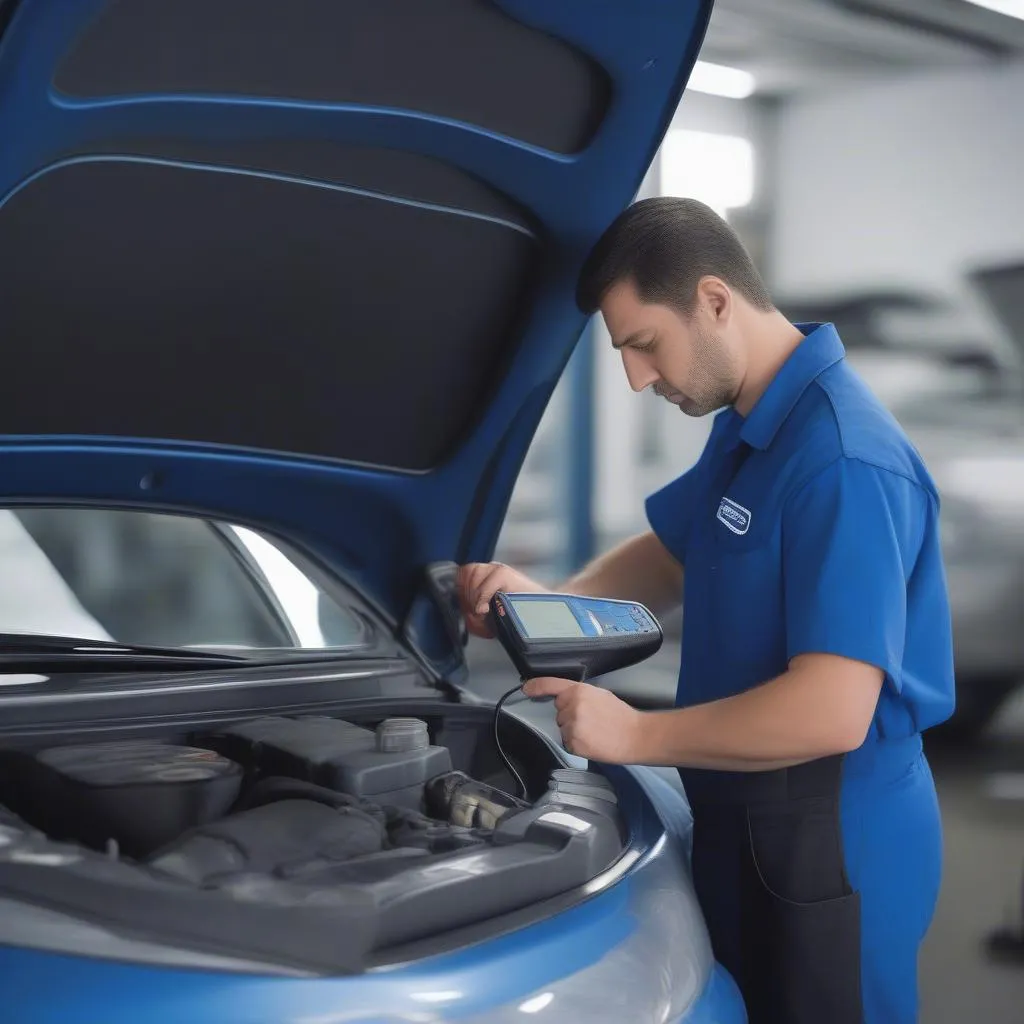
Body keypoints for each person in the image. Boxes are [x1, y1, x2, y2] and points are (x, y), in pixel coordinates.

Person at [458, 197, 954, 1024]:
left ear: (715, 301)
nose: (637, 377)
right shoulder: (752, 422)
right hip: (742, 804)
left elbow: (831, 711)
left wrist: (636, 736)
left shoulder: (843, 461)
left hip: (835, 833)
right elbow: (667, 553)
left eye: (644, 345)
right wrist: (541, 610)